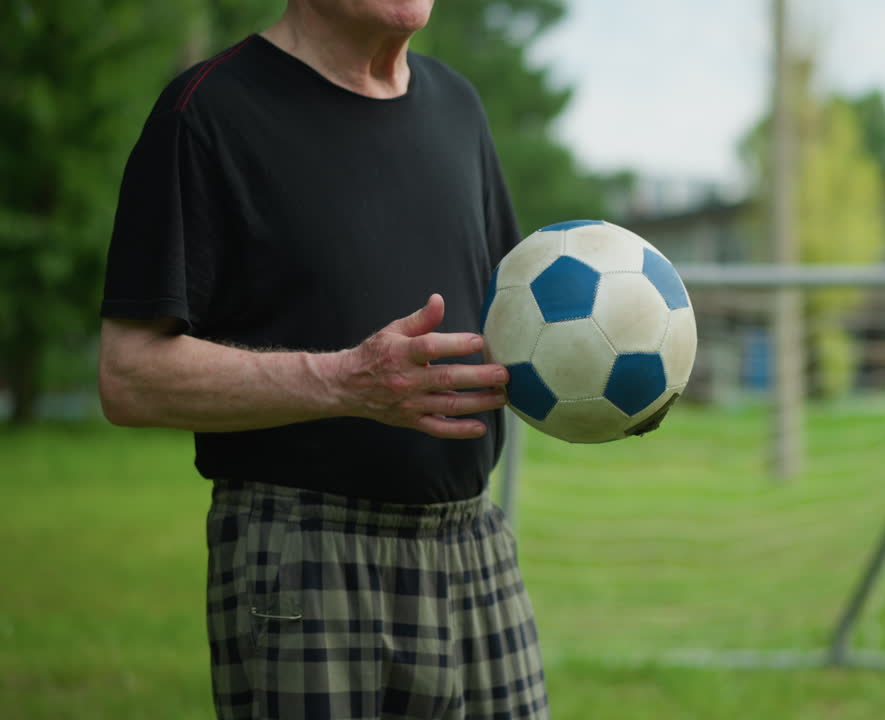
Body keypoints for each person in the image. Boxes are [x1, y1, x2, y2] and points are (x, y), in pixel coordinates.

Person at [97, 0, 549, 717]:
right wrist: (343, 381)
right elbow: (128, 377)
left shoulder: (458, 106)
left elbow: (517, 321)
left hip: (473, 546)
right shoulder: (205, 112)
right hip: (307, 556)